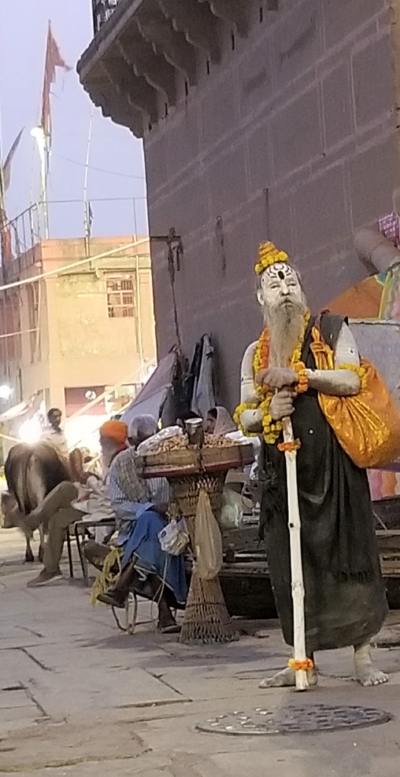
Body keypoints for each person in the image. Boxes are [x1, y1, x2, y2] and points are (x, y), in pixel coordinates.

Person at [237, 241, 390, 688]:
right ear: (260, 298)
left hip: (335, 468)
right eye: (273, 283)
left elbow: (349, 378)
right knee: (293, 565)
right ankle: (301, 657)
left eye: (289, 279)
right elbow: (245, 411)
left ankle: (363, 657)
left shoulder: (330, 329)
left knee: (352, 560)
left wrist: (301, 377)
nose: (283, 288)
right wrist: (269, 412)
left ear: (301, 288)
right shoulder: (255, 353)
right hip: (285, 476)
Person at [87, 415, 187, 633]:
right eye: (144, 442)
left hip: (170, 527)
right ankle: (164, 614)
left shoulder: (167, 456)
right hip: (132, 531)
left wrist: (166, 509)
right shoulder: (120, 464)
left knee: (152, 527)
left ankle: (124, 584)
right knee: (149, 521)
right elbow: (120, 506)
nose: (150, 446)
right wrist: (149, 508)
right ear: (132, 442)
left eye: (153, 439)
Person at [25, 420, 128, 587]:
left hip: (106, 508)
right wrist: (89, 480)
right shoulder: (111, 456)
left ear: (110, 440)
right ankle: (36, 518)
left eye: (102, 438)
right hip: (96, 502)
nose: (100, 442)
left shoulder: (121, 460)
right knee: (66, 488)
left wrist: (92, 480)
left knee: (58, 520)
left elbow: (111, 493)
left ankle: (50, 569)